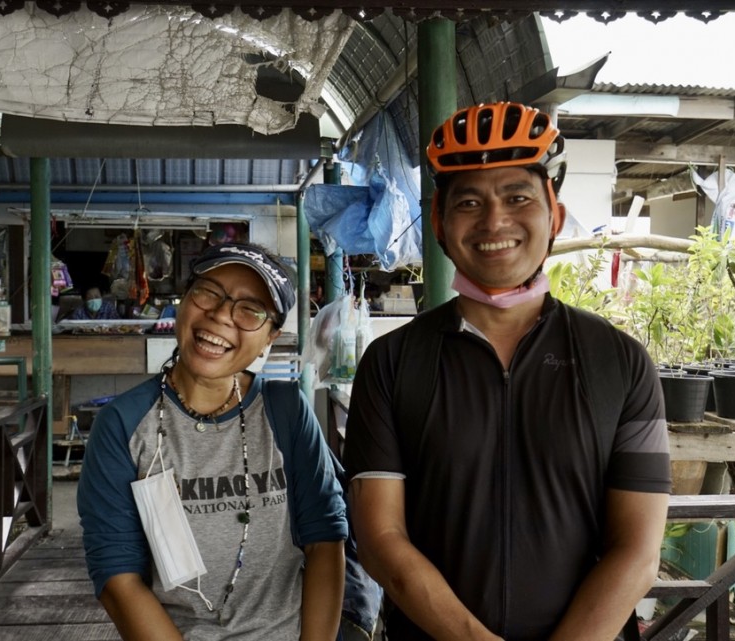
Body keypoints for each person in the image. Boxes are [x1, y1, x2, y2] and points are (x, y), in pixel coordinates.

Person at [343, 102, 671, 641]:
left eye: (517, 197)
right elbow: (381, 538)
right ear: (440, 224)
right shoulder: (392, 363)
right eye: (469, 202)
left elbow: (637, 553)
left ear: (554, 216)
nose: (495, 221)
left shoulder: (621, 361)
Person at [78, 242, 347, 641]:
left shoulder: (286, 412)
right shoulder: (123, 424)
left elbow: (324, 541)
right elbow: (119, 578)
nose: (221, 316)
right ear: (183, 301)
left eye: (250, 309)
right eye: (208, 292)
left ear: (270, 337)